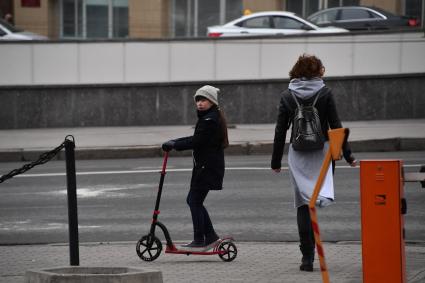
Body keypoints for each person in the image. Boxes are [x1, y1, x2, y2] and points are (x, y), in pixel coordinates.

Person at [271, 54, 357, 272]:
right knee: (315, 201)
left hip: (298, 155)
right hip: (323, 154)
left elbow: (280, 130)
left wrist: (275, 161)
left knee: (302, 205)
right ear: (318, 71)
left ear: (295, 71)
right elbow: (336, 126)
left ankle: (307, 258)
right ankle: (315, 249)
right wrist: (348, 155)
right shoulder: (325, 93)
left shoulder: (287, 96)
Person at [162, 85, 229, 250]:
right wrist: (174, 141)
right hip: (205, 167)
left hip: (206, 168)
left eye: (204, 100)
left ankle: (200, 239)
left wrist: (175, 144)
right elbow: (196, 137)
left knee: (194, 201)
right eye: (198, 100)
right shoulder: (208, 117)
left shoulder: (209, 120)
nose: (200, 103)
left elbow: (196, 141)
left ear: (212, 101)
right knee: (194, 200)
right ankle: (210, 237)